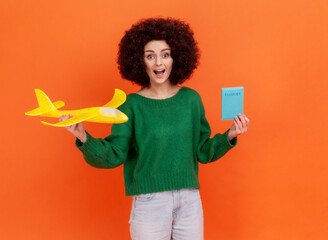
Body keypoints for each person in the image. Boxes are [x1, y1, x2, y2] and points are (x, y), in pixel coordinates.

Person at [60, 18, 249, 240]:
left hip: (189, 201)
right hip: (149, 203)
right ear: (141, 62)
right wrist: (84, 138)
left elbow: (202, 151)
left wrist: (230, 135)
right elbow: (114, 154)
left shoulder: (191, 100)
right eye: (150, 56)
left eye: (165, 54)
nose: (158, 62)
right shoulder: (131, 105)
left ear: (176, 58)